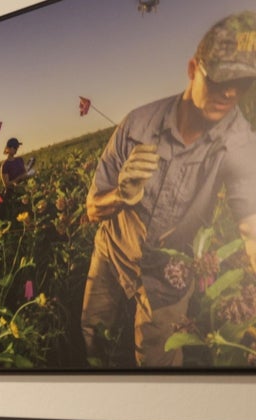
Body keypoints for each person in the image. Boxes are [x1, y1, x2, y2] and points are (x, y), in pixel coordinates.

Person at [81, 12, 256, 367]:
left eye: (243, 82)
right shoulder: (138, 124)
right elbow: (91, 209)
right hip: (114, 251)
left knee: (159, 366)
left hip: (168, 276)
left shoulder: (238, 143)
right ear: (193, 69)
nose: (230, 92)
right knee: (92, 335)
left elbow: (252, 225)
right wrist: (121, 195)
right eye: (221, 77)